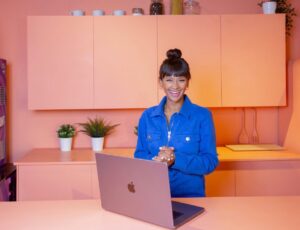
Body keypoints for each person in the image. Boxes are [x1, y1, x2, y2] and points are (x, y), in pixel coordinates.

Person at [134, 48, 219, 197]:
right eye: (169, 80)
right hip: (153, 196)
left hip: (191, 198)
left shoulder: (202, 116)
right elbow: (139, 155)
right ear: (160, 82)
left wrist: (175, 159)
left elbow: (210, 162)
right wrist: (157, 160)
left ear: (187, 83)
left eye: (181, 79)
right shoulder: (147, 116)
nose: (175, 86)